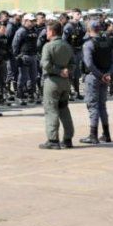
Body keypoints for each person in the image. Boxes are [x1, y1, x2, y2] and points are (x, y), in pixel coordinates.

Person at [79, 20, 113, 144]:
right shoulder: (107, 43)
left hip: (94, 77)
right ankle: (106, 134)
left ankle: (93, 135)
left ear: (88, 30)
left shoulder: (88, 44)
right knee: (102, 105)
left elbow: (89, 64)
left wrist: (101, 75)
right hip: (105, 77)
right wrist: (108, 74)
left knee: (93, 106)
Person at [39, 21, 75, 150]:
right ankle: (68, 138)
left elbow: (46, 65)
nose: (46, 33)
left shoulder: (48, 46)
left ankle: (53, 140)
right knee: (64, 109)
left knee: (51, 110)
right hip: (65, 82)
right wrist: (67, 71)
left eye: (47, 31)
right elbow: (73, 63)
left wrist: (58, 71)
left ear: (52, 31)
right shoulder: (67, 45)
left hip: (52, 81)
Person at [12, 14, 39, 106]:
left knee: (33, 77)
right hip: (24, 56)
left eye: (33, 21)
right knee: (22, 77)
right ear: (26, 21)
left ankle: (31, 95)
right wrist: (17, 56)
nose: (32, 23)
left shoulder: (34, 30)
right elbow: (15, 44)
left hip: (33, 56)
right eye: (31, 21)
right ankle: (20, 95)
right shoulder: (21, 31)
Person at [62, 9, 85, 100]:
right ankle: (68, 93)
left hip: (78, 51)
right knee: (70, 73)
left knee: (77, 73)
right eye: (78, 14)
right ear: (72, 15)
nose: (79, 16)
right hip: (71, 52)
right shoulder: (69, 26)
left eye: (80, 14)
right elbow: (64, 40)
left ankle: (77, 92)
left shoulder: (80, 25)